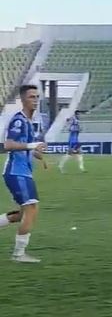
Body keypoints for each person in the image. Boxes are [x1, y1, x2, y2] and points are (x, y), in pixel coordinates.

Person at [3, 84, 47, 263]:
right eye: (31, 97)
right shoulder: (19, 120)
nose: (35, 100)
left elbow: (26, 148)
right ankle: (19, 254)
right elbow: (8, 145)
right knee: (32, 209)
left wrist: (38, 155)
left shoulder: (29, 122)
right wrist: (31, 146)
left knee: (23, 214)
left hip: (23, 172)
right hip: (16, 172)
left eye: (37, 97)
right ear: (22, 99)